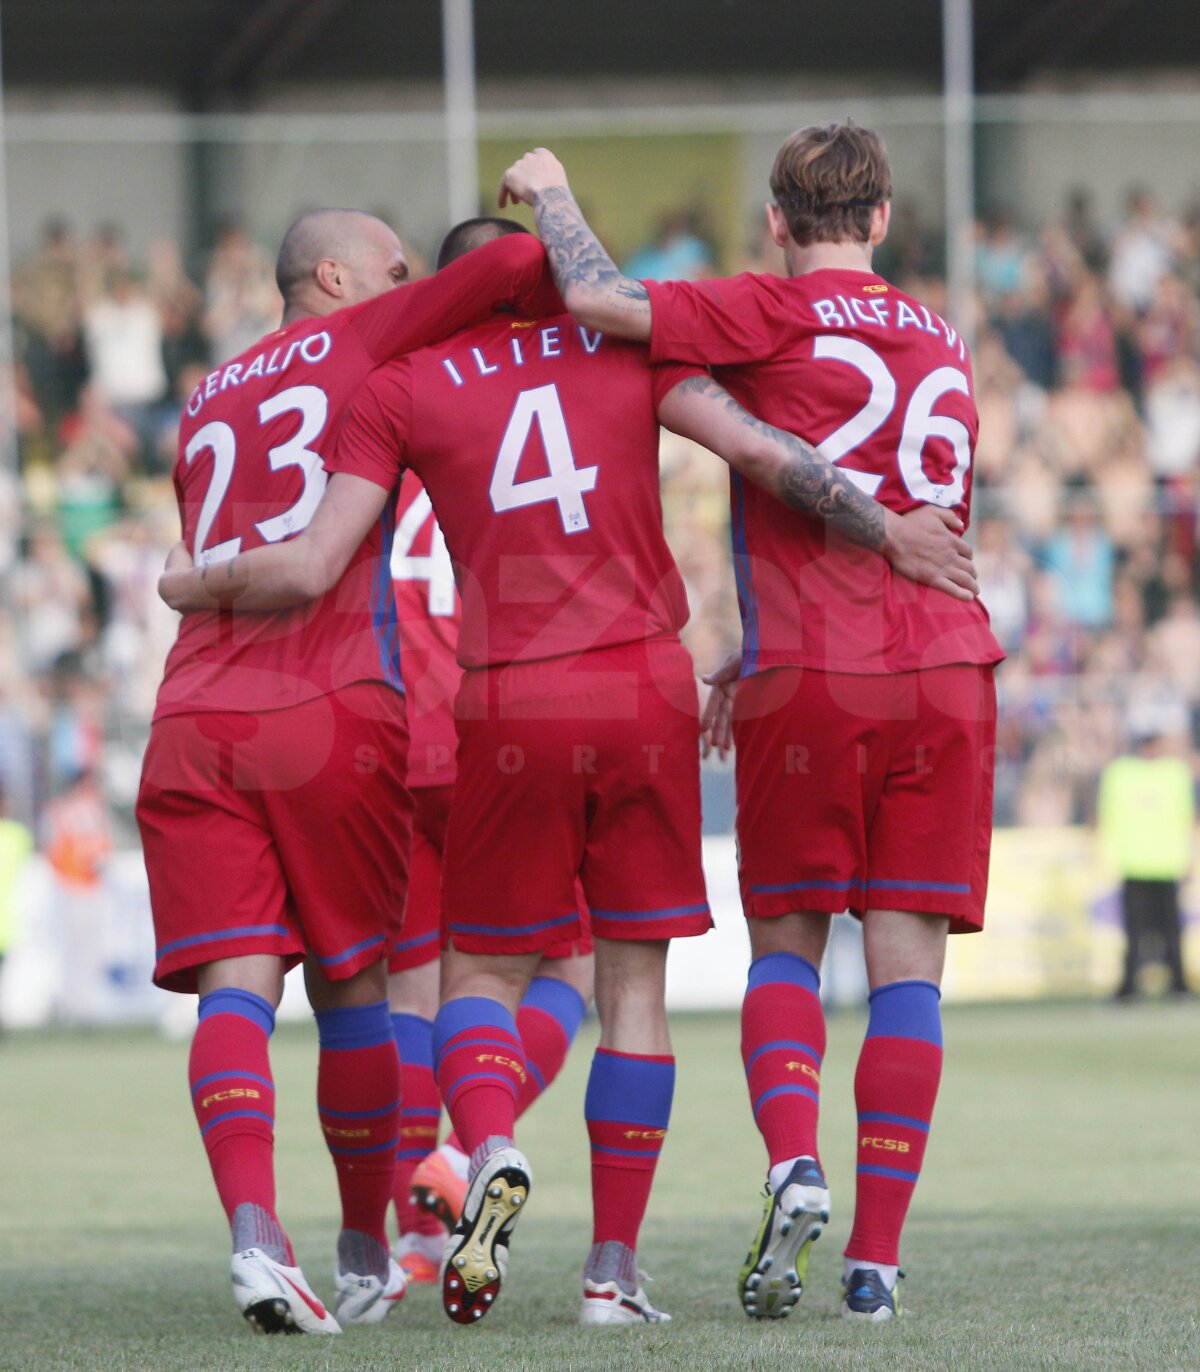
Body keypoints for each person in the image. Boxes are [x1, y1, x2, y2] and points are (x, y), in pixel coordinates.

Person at [158, 214, 976, 1329]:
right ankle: (611, 1271)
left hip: (475, 699)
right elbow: (752, 448)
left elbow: (309, 555)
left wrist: (189, 580)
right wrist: (882, 531)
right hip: (638, 685)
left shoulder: (383, 383)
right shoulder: (613, 349)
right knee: (617, 982)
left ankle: (438, 1176)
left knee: (449, 978)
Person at [499, 124, 1004, 1322]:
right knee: (908, 976)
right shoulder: (943, 337)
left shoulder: (767, 311)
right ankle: (874, 1266)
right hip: (950, 662)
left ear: (779, 223)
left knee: (786, 947)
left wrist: (557, 190)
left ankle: (793, 1157)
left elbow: (598, 297)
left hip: (818, 671)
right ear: (884, 222)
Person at [137, 209, 559, 1335]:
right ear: (333, 275)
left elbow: (205, 543)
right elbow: (515, 260)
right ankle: (367, 1249)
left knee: (234, 986)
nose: (410, 281)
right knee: (354, 993)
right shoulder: (365, 341)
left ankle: (254, 1236)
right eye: (392, 268)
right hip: (330, 707)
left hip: (193, 708)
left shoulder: (209, 391)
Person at [386, 464, 595, 1285]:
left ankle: (416, 1241)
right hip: (492, 740)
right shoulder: (498, 453)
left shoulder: (371, 467)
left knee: (409, 993)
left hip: (392, 747)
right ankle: (463, 1148)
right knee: (570, 964)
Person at [1097, 715, 1194, 998]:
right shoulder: (1121, 774)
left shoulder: (1174, 773)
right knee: (1134, 934)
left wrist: (1187, 858)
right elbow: (1108, 817)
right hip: (1134, 863)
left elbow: (1185, 817)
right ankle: (1129, 987)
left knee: (1172, 933)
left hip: (1167, 864)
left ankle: (1178, 986)